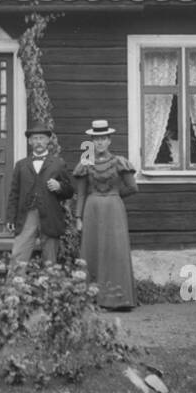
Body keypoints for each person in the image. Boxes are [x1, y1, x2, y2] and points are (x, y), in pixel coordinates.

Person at [72, 119, 137, 310]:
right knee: (92, 249)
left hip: (114, 211)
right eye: (96, 139)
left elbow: (133, 187)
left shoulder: (119, 162)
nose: (100, 143)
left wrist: (114, 196)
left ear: (109, 140)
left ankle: (118, 299)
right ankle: (92, 299)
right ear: (92, 142)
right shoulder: (86, 163)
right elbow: (82, 193)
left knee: (115, 251)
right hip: (91, 211)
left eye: (103, 139)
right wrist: (78, 218)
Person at [5, 121, 75, 267]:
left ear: (48, 140)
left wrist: (60, 186)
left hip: (50, 215)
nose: (38, 142)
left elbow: (70, 191)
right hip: (27, 215)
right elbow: (14, 193)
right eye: (35, 139)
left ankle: (51, 287)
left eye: (41, 138)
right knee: (19, 255)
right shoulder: (21, 165)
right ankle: (15, 288)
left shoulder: (58, 163)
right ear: (30, 142)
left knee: (50, 258)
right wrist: (10, 218)